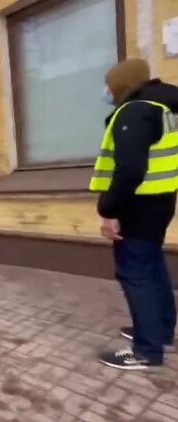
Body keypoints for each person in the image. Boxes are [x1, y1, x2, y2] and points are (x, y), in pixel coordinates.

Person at [90, 58, 178, 370]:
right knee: (152, 268)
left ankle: (146, 350)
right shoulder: (166, 108)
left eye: (109, 86)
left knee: (136, 274)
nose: (107, 92)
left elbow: (129, 170)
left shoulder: (134, 112)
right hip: (161, 200)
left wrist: (109, 209)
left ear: (121, 85)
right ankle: (160, 331)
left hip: (136, 207)